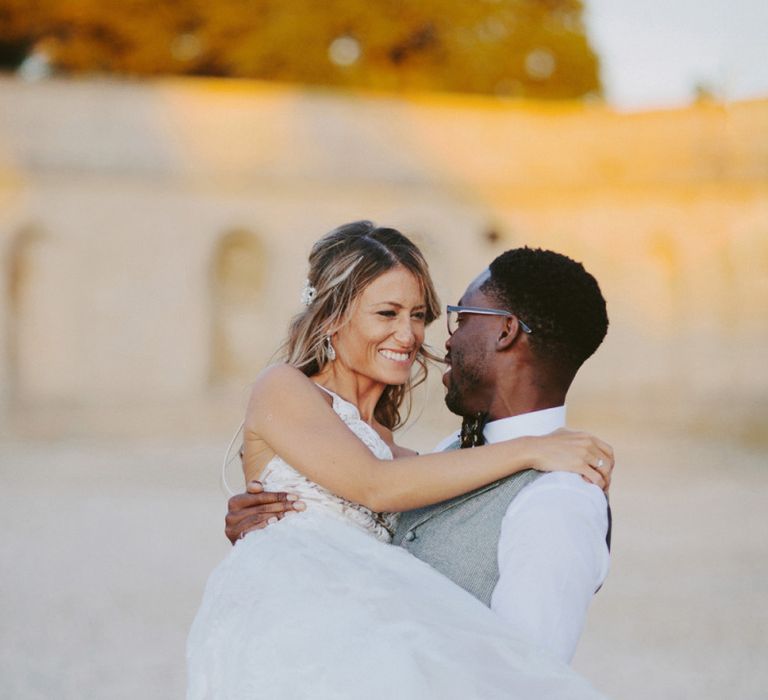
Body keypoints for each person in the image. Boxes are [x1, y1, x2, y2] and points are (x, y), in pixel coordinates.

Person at [187, 221, 613, 699]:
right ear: (331, 317)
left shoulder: (414, 456)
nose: (411, 335)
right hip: (294, 631)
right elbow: (374, 486)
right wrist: (534, 447)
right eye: (387, 313)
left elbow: (529, 665)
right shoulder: (285, 386)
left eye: (419, 316)